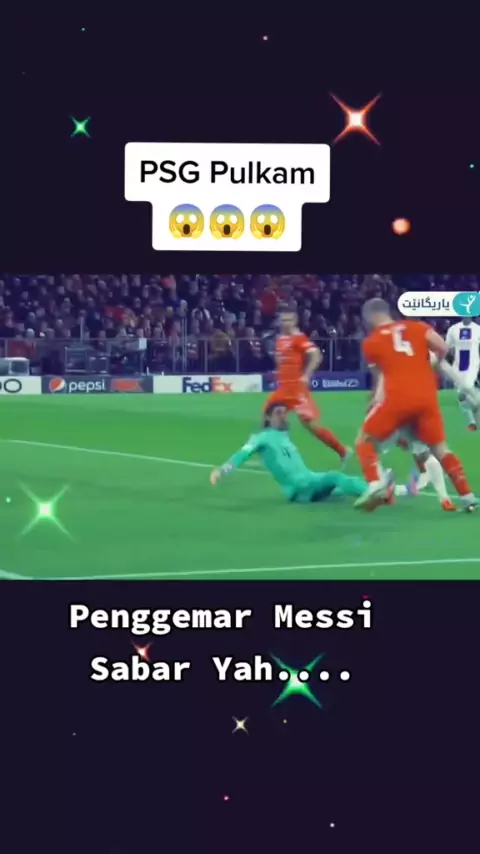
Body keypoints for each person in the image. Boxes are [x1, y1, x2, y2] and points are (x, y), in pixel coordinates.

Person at [355, 298, 478, 512]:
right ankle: (467, 496)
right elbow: (443, 347)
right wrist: (432, 363)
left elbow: (381, 376)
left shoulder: (371, 342)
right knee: (440, 449)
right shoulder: (418, 327)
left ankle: (376, 484)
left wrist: (375, 400)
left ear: (370, 317)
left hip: (398, 400)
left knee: (364, 441)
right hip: (426, 398)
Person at [210, 402, 417, 508]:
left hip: (306, 484)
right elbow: (242, 454)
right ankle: (377, 493)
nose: (283, 416)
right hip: (300, 486)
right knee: (336, 477)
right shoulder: (260, 437)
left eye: (284, 412)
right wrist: (222, 470)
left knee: (342, 488)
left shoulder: (283, 435)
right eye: (278, 413)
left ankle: (395, 491)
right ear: (267, 418)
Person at [263, 306, 350, 464]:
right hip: (283, 389)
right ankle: (277, 453)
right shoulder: (280, 339)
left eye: (289, 320)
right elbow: (283, 361)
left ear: (295, 321)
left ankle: (343, 451)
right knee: (268, 417)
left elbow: (316, 355)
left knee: (312, 426)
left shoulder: (299, 338)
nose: (286, 323)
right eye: (283, 320)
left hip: (297, 391)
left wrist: (307, 375)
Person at [445, 317, 480, 431]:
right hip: (458, 366)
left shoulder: (477, 329)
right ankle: (471, 422)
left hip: (473, 364)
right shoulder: (453, 329)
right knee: (461, 395)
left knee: (467, 386)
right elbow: (447, 347)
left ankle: (477, 402)